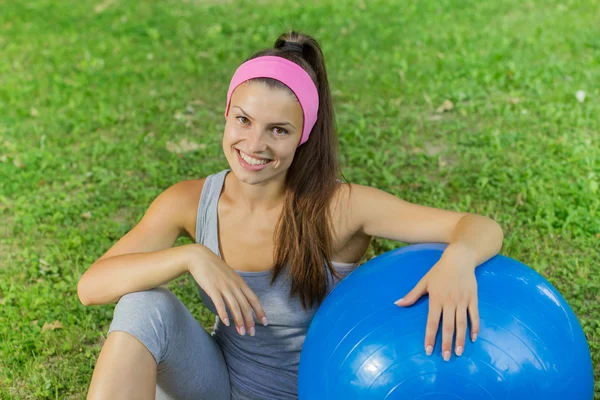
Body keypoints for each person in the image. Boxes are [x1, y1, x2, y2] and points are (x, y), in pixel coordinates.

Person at [78, 31, 504, 400]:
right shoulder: (189, 201)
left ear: (303, 135)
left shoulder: (338, 207)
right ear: (226, 114)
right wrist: (191, 256)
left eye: (278, 130)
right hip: (219, 383)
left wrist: (459, 259)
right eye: (243, 120)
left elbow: (478, 227)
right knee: (144, 304)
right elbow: (92, 286)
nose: (254, 143)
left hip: (314, 388)